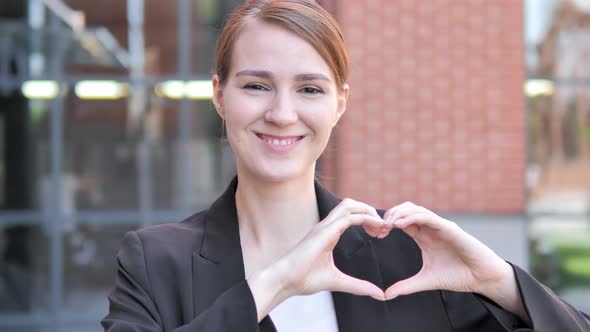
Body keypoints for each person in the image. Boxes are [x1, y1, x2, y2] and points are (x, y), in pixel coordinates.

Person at [101, 0, 590, 331]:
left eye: (310, 89)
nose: (282, 113)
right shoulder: (153, 261)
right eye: (256, 85)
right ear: (219, 96)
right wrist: (273, 285)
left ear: (339, 104)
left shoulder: (404, 257)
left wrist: (499, 282)